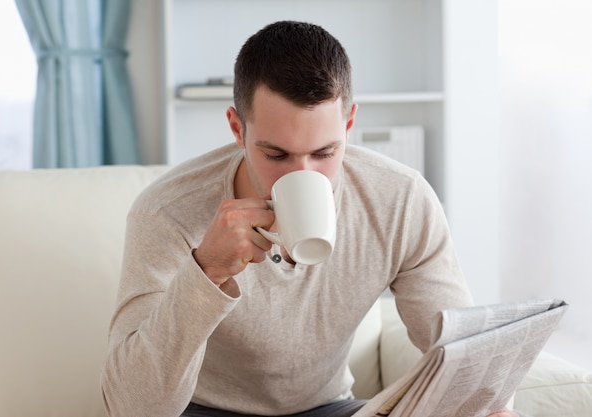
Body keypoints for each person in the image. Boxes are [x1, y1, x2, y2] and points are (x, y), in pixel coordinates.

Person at [101, 21, 522, 417]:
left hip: (328, 408)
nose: (303, 174)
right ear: (237, 128)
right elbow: (133, 407)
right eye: (276, 154)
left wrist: (487, 401)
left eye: (324, 153)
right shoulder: (166, 212)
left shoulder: (399, 200)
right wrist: (205, 272)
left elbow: (461, 351)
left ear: (349, 124)